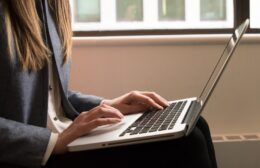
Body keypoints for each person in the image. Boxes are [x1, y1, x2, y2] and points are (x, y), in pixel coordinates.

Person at [0, 0, 218, 168]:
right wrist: (52, 142)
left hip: (65, 138)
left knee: (197, 126)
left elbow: (49, 98)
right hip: (31, 155)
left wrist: (109, 104)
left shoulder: (52, 5)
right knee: (187, 146)